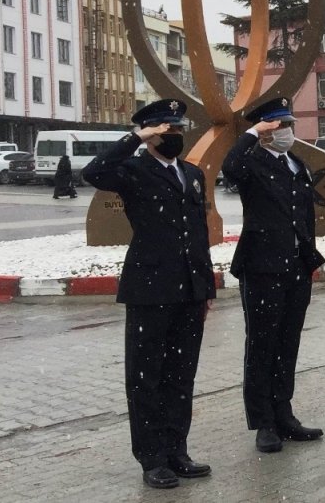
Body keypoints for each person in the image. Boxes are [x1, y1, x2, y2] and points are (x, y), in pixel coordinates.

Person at [83, 99, 215, 490]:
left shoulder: (191, 173)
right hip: (150, 289)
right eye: (164, 130)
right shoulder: (132, 170)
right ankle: (152, 458)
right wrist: (134, 138)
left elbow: (198, 236)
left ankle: (178, 450)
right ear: (149, 133)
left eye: (176, 129)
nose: (173, 135)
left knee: (181, 375)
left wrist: (205, 288)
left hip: (189, 289)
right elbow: (94, 172)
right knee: (146, 377)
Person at [221, 97, 325, 454]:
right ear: (265, 130)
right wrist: (252, 132)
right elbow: (229, 167)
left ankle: (284, 413)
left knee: (287, 343)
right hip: (263, 266)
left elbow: (303, 217)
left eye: (288, 124)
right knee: (262, 345)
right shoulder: (250, 161)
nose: (286, 131)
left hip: (296, 266)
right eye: (278, 125)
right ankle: (263, 422)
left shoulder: (297, 163)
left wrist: (311, 256)